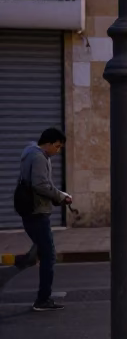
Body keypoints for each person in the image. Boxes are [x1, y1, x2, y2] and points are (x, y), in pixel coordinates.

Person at [16, 128, 71, 312]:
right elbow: (41, 185)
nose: (58, 151)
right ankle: (43, 299)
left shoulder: (30, 152)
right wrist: (61, 197)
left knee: (42, 248)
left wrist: (59, 195)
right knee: (49, 255)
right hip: (37, 212)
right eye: (57, 146)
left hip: (31, 211)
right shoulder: (39, 157)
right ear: (48, 143)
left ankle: (27, 259)